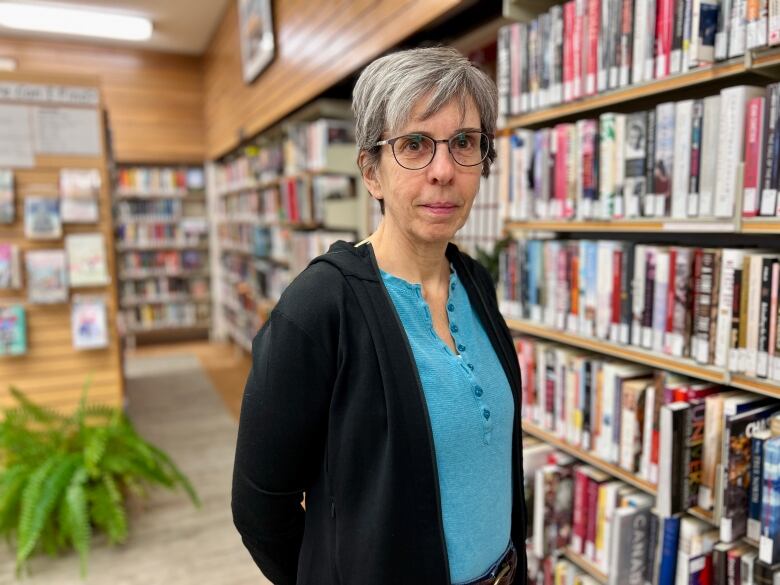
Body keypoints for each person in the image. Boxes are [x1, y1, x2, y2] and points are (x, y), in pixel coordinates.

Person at [232, 46, 527, 585]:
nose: (444, 171)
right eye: (415, 144)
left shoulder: (476, 283)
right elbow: (259, 505)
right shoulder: (320, 306)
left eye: (463, 143)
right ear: (371, 170)